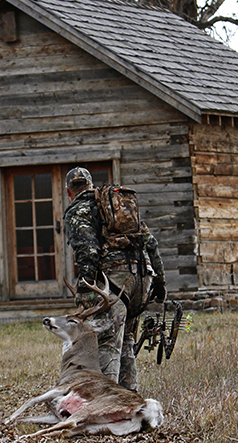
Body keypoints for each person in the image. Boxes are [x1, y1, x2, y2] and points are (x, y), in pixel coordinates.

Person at [63, 166, 166, 391]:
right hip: (141, 279)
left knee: (108, 342)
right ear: (90, 185)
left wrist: (84, 292)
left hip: (116, 284)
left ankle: (106, 404)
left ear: (69, 192)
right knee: (126, 340)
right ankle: (130, 402)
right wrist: (160, 285)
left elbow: (88, 251)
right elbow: (151, 243)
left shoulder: (78, 209)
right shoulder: (115, 205)